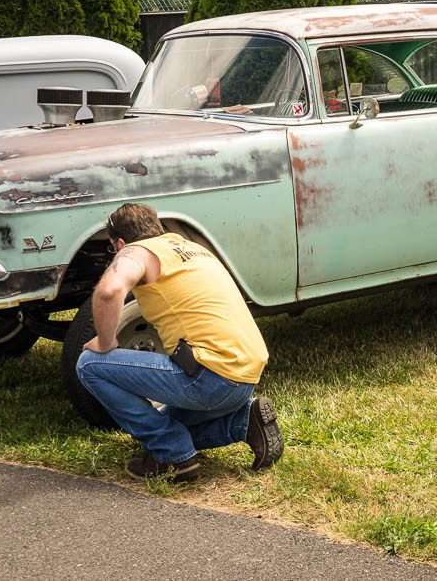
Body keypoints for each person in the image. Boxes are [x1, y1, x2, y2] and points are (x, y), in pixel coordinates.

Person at [75, 203, 283, 482]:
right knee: (168, 423)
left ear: (120, 242)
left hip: (210, 377)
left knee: (89, 364)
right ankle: (244, 423)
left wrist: (106, 340)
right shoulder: (189, 246)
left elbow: (109, 291)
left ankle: (171, 455)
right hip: (243, 378)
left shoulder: (134, 252)